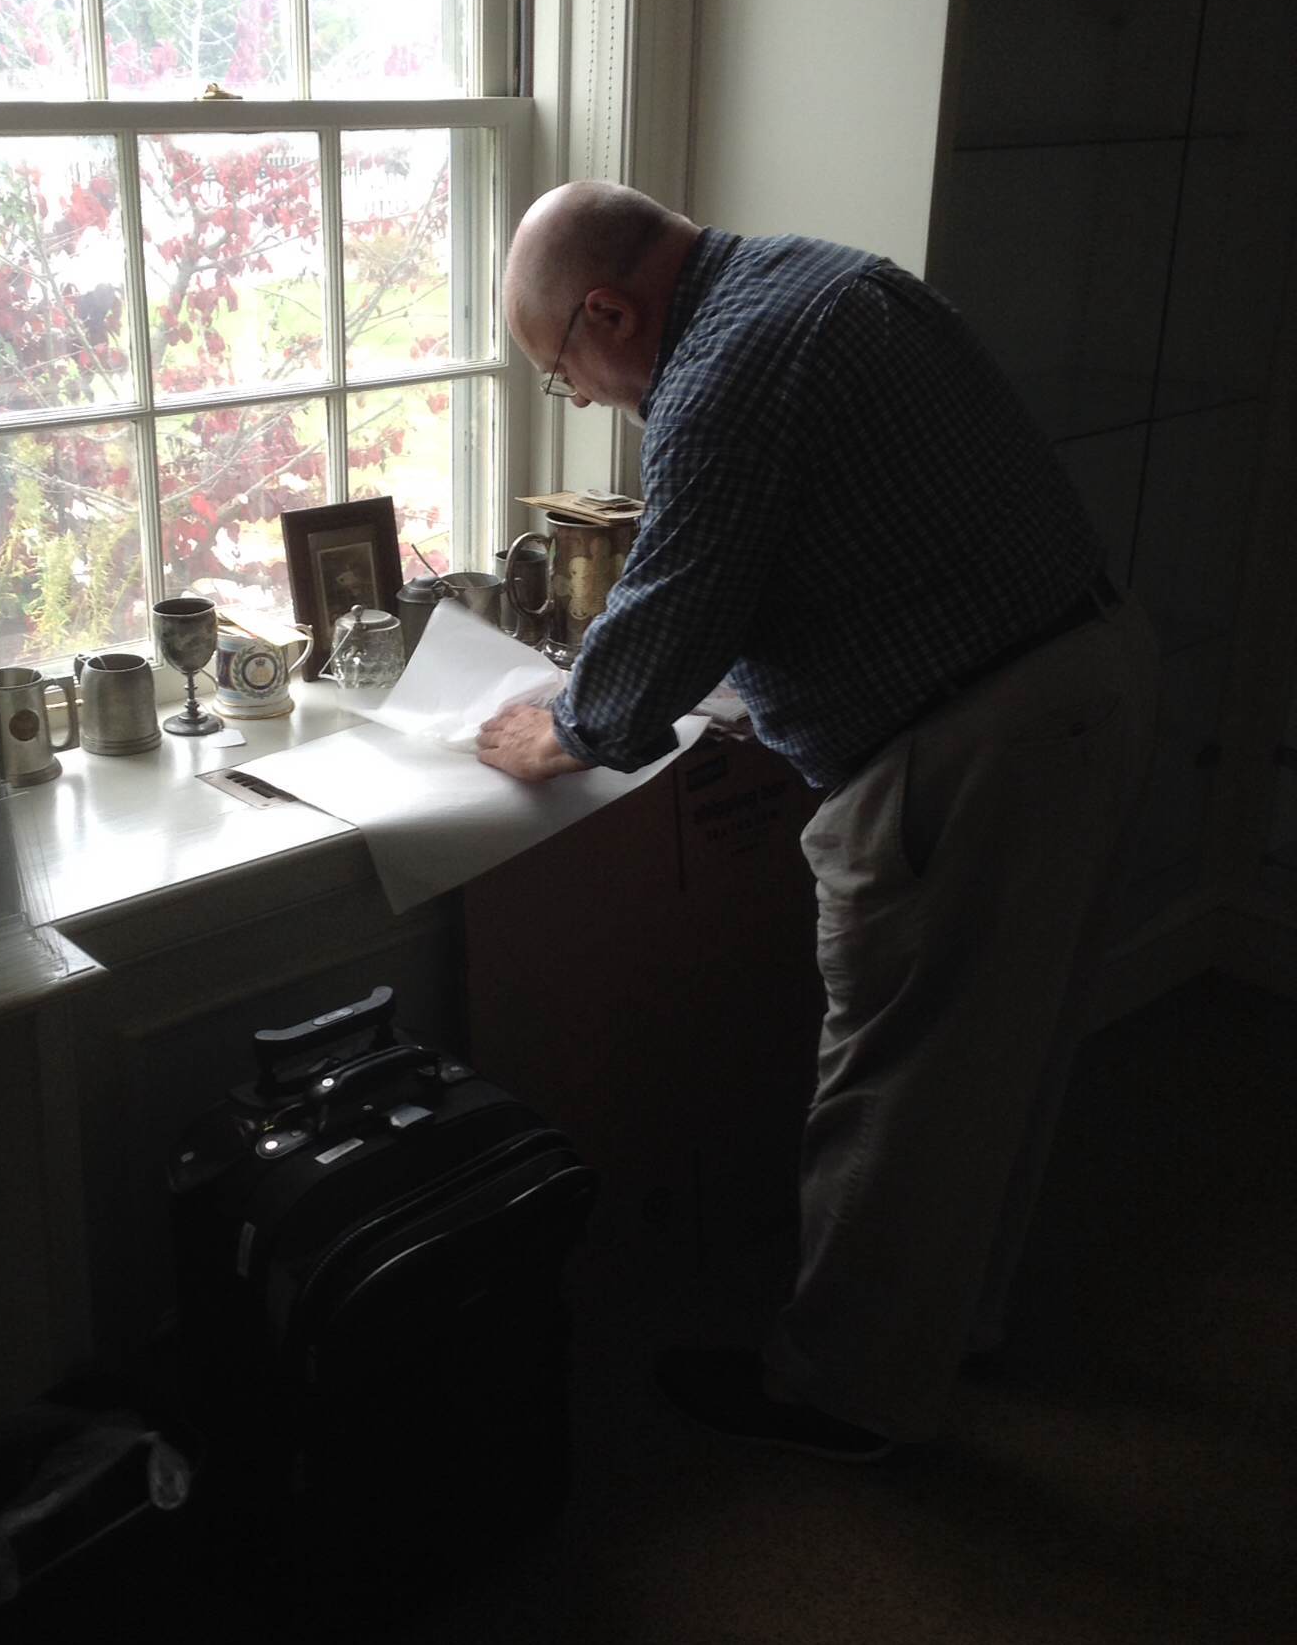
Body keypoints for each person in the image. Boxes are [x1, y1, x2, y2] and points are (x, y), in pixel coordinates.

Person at [477, 180, 1159, 1460]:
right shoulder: (828, 278)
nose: (586, 399)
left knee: (898, 1080)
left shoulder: (720, 375)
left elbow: (671, 612)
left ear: (610, 309)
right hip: (1089, 674)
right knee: (1003, 1052)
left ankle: (843, 1391)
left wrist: (560, 731)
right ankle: (955, 1322)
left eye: (564, 372)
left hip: (974, 743)